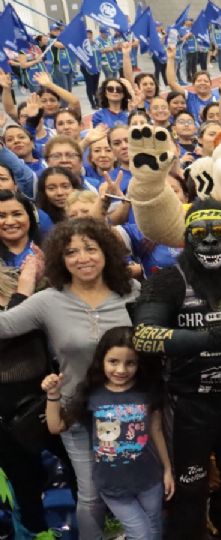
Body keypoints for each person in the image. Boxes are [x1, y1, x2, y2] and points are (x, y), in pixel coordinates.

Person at [132, 200, 221, 540]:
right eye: (199, 234)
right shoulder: (168, 281)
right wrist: (205, 339)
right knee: (189, 487)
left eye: (219, 232)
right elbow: (143, 336)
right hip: (187, 404)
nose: (209, 242)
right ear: (187, 238)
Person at [0, 218, 140, 539]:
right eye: (72, 252)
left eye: (90, 248)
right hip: (74, 412)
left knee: (125, 488)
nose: (82, 258)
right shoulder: (49, 300)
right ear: (61, 260)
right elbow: (5, 326)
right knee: (90, 496)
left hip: (126, 411)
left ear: (106, 251)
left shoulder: (132, 293)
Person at [42, 327, 173, 540]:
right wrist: (53, 395)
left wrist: (167, 470)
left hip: (150, 480)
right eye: (113, 361)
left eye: (130, 363)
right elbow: (55, 426)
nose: (121, 370)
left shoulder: (147, 391)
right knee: (141, 534)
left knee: (154, 528)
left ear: (139, 364)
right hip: (112, 486)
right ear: (101, 360)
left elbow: (156, 430)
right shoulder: (91, 394)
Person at [0, 257, 54, 537]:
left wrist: (44, 276)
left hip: (49, 390)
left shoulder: (16, 279)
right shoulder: (22, 284)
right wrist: (25, 290)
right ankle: (37, 533)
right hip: (6, 405)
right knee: (25, 478)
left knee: (72, 464)